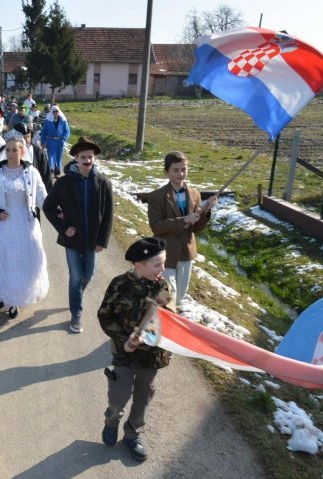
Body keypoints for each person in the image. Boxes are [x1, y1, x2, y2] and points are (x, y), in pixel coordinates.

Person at [97, 237, 171, 462]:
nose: (163, 269)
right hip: (123, 354)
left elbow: (167, 319)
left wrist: (148, 336)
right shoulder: (119, 285)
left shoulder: (162, 286)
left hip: (151, 356)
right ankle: (112, 420)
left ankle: (132, 434)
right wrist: (123, 341)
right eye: (157, 264)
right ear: (139, 264)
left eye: (164, 263)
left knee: (143, 396)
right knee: (119, 395)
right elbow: (105, 316)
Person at [43, 136, 113, 334]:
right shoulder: (64, 183)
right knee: (75, 276)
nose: (87, 160)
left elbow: (108, 214)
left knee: (87, 275)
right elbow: (48, 207)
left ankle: (76, 295)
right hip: (72, 239)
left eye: (90, 157)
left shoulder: (103, 183)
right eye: (83, 157)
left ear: (94, 159)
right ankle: (76, 313)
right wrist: (64, 226)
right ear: (75, 158)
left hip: (92, 240)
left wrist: (102, 240)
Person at [0, 133, 49, 318]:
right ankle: (2, 294)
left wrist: (58, 211)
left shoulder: (31, 172)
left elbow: (42, 197)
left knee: (21, 262)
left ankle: (15, 300)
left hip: (25, 224)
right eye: (8, 150)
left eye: (14, 150)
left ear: (22, 151)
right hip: (3, 222)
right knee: (4, 260)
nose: (10, 153)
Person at [146, 150, 217, 305]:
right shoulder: (156, 196)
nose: (180, 174)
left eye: (184, 169)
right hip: (165, 254)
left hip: (186, 253)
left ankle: (167, 321)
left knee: (179, 297)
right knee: (167, 296)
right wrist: (183, 220)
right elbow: (156, 226)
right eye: (176, 170)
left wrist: (205, 211)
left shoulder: (195, 194)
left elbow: (195, 229)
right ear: (167, 172)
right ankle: (158, 323)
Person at [12, 122, 51, 193]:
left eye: (28, 137)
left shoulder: (38, 151)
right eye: (24, 137)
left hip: (35, 189)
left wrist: (48, 193)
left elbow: (46, 173)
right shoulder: (9, 151)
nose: (26, 140)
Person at [40, 105, 70, 177]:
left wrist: (63, 138)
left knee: (58, 156)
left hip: (59, 141)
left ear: (59, 112)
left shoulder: (63, 120)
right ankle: (51, 169)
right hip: (50, 141)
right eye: (54, 111)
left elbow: (67, 131)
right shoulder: (48, 121)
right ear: (52, 112)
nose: (55, 113)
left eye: (56, 111)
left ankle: (57, 170)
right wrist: (43, 142)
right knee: (51, 156)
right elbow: (43, 132)